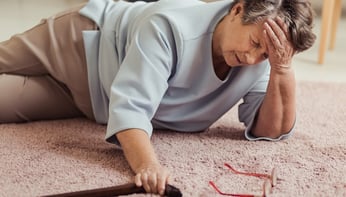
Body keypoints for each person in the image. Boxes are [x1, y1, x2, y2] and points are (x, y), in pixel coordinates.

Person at [0, 0, 316, 195]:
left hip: (92, 100)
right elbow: (131, 109)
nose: (251, 58)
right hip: (80, 44)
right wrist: (147, 166)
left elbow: (269, 130)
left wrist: (282, 68)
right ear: (237, 9)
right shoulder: (169, 28)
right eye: (254, 42)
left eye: (266, 54)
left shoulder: (263, 62)